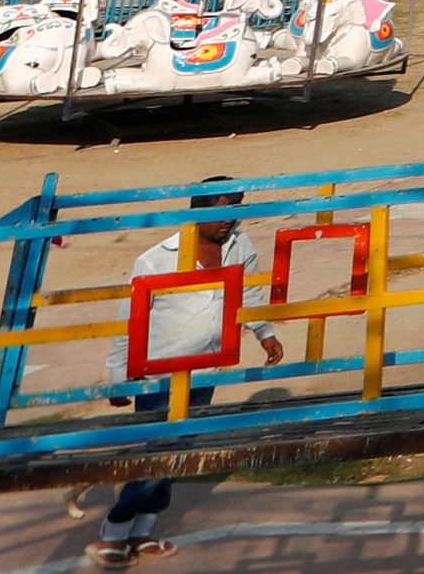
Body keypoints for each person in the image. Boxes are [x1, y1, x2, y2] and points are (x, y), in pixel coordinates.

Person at [94, 181, 260, 566]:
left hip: (205, 368)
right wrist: (119, 376)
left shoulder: (241, 247)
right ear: (196, 211)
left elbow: (250, 294)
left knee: (180, 452)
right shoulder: (156, 258)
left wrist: (264, 334)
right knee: (156, 454)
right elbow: (128, 320)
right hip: (158, 373)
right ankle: (114, 531)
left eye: (233, 209)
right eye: (219, 212)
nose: (227, 220)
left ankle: (144, 530)